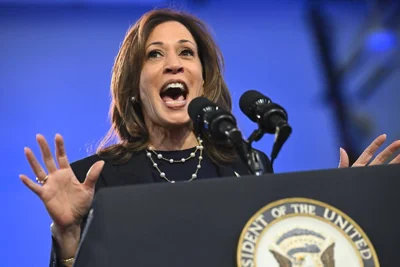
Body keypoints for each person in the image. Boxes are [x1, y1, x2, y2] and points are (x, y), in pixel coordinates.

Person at [19, 8, 400, 267]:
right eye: (154, 54)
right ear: (134, 87)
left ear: (203, 79)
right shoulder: (94, 177)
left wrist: (345, 207)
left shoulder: (246, 165)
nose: (174, 63)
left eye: (187, 52)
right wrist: (68, 236)